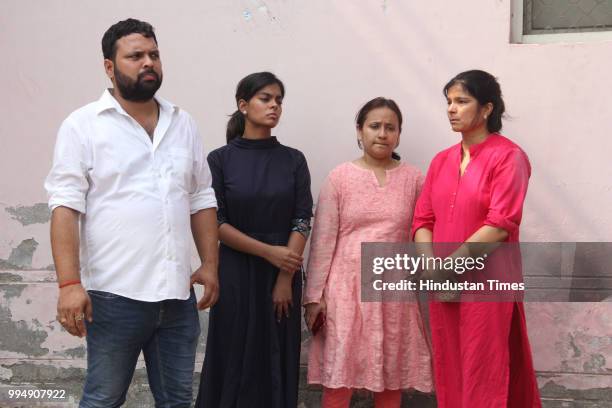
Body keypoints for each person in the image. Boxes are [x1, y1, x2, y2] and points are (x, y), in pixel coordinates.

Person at [45, 18, 219, 408]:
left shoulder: (183, 123)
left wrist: (210, 263)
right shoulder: (84, 126)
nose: (148, 63)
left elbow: (201, 197)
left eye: (154, 54)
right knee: (103, 399)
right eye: (135, 55)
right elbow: (65, 206)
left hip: (177, 298)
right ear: (110, 66)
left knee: (176, 401)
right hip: (114, 297)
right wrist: (69, 284)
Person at [412, 70, 542, 407]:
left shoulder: (509, 157)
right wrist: (432, 269)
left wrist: (448, 268)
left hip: (487, 284)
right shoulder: (441, 162)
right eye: (449, 102)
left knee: (484, 369)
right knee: (449, 365)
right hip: (443, 283)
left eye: (461, 101)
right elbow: (423, 220)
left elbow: (501, 224)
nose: (451, 109)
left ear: (486, 109)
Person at [304, 97, 433, 407]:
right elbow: (322, 242)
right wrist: (313, 298)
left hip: (393, 292)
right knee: (339, 378)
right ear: (359, 130)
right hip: (345, 292)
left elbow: (424, 230)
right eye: (375, 126)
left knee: (391, 375)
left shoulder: (414, 179)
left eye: (391, 127)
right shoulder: (339, 179)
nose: (382, 134)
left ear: (399, 134)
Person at [195, 72, 313, 408]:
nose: (274, 105)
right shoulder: (220, 160)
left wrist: (284, 276)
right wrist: (268, 253)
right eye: (266, 98)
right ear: (243, 105)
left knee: (276, 356)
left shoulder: (293, 159)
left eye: (279, 99)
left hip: (283, 276)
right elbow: (214, 222)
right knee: (231, 353)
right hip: (233, 271)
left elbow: (302, 218)